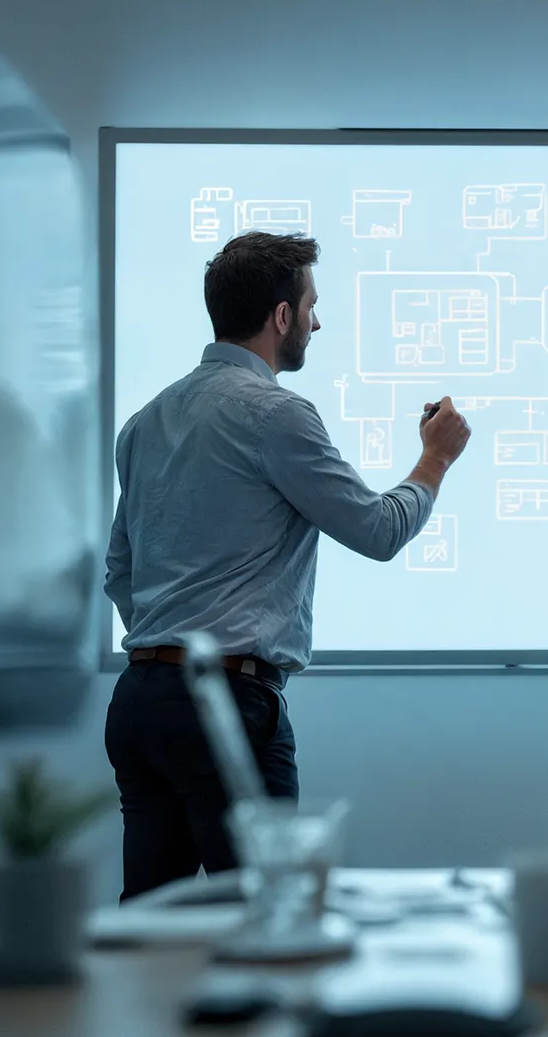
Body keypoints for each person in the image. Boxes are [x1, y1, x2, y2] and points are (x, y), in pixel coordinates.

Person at [104, 231, 470, 900]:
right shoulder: (275, 415)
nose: (316, 321)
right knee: (268, 912)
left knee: (151, 924)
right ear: (281, 316)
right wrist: (434, 460)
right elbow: (379, 530)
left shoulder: (144, 422)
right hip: (224, 709)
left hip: (138, 702)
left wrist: (170, 641)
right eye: (310, 306)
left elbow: (119, 573)